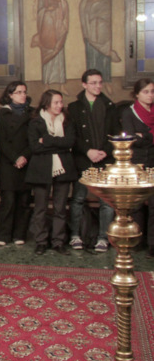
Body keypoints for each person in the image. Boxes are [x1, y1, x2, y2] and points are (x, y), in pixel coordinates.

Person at [68, 69, 118, 252]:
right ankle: (75, 235)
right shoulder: (74, 108)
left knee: (106, 201)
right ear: (84, 85)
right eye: (93, 83)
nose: (97, 86)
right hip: (83, 159)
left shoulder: (110, 106)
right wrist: (88, 151)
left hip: (104, 160)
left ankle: (103, 238)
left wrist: (104, 151)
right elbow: (73, 135)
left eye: (99, 82)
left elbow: (115, 133)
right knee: (78, 199)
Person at [25, 90, 77, 255]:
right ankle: (41, 241)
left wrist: (46, 140)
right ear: (47, 104)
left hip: (64, 168)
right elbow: (34, 147)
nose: (59, 106)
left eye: (61, 102)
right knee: (40, 208)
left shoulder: (67, 121)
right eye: (56, 102)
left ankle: (58, 241)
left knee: (60, 208)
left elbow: (70, 142)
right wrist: (58, 144)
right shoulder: (35, 122)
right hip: (41, 169)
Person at [0, 81, 33, 246]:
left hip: (26, 161)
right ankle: (3, 235)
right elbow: (1, 140)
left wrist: (24, 156)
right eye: (18, 92)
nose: (22, 95)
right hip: (8, 163)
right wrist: (15, 158)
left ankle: (20, 234)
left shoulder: (32, 113)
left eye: (24, 92)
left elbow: (34, 139)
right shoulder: (3, 114)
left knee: (24, 201)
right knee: (8, 201)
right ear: (10, 95)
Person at [121, 78, 154, 258]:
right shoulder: (129, 112)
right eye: (146, 92)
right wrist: (146, 137)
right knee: (137, 204)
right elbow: (131, 139)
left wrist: (144, 136)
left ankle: (152, 244)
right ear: (137, 94)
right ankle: (137, 240)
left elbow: (141, 137)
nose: (150, 95)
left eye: (152, 91)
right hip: (137, 162)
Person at [31, 0, 69, 90]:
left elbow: (63, 4)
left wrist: (60, 2)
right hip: (47, 23)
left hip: (58, 23)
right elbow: (40, 9)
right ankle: (46, 83)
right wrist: (48, 9)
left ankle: (61, 84)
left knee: (59, 51)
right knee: (47, 49)